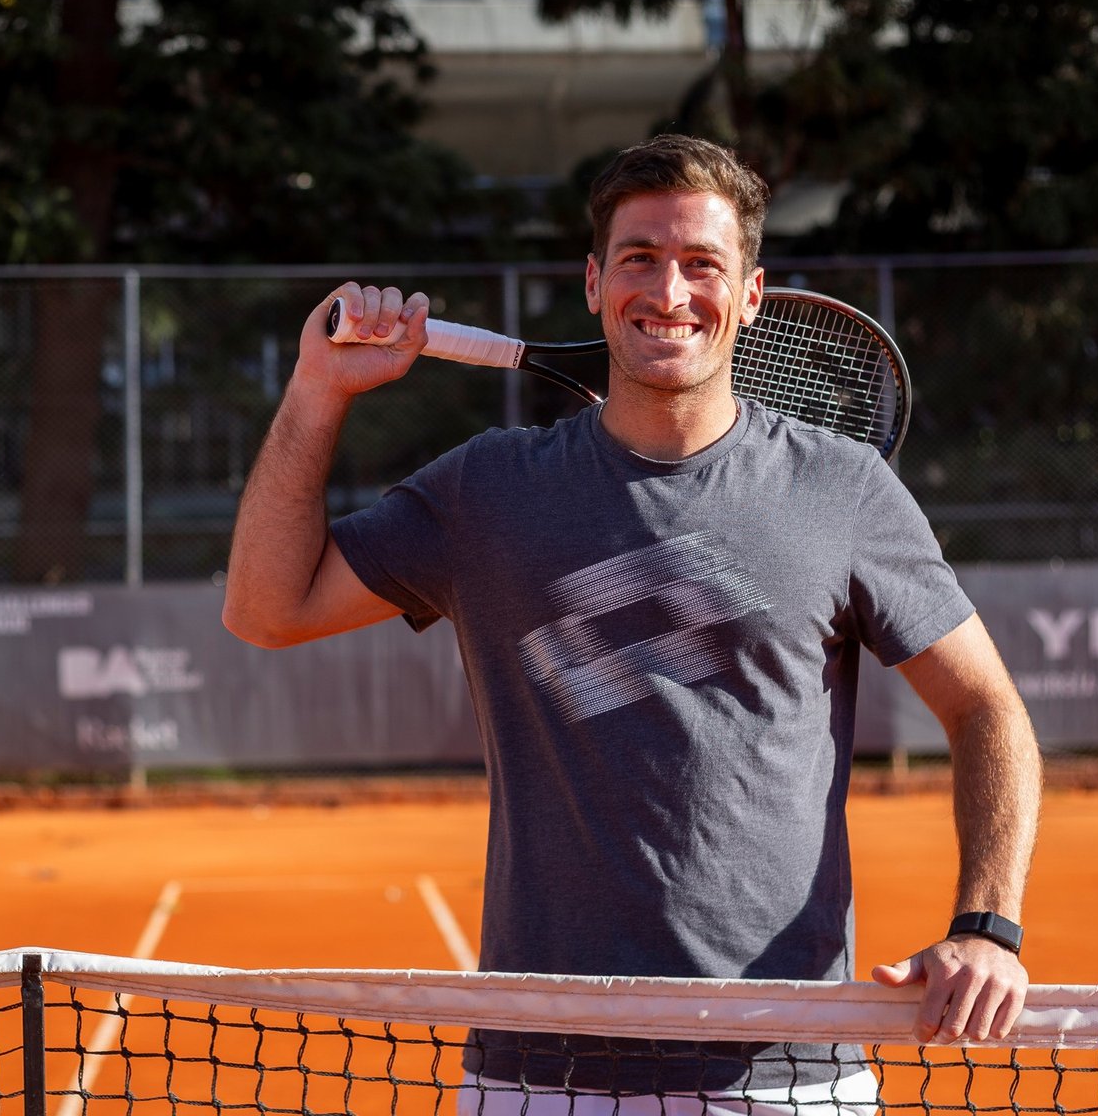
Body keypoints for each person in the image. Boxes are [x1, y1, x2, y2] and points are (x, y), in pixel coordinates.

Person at [221, 134, 1041, 1113]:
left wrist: (986, 926)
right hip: (537, 1076)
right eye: (639, 258)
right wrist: (319, 392)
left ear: (750, 294)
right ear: (593, 282)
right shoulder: (487, 490)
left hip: (783, 1075)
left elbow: (986, 708)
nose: (669, 290)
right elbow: (265, 610)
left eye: (702, 263)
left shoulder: (842, 487)